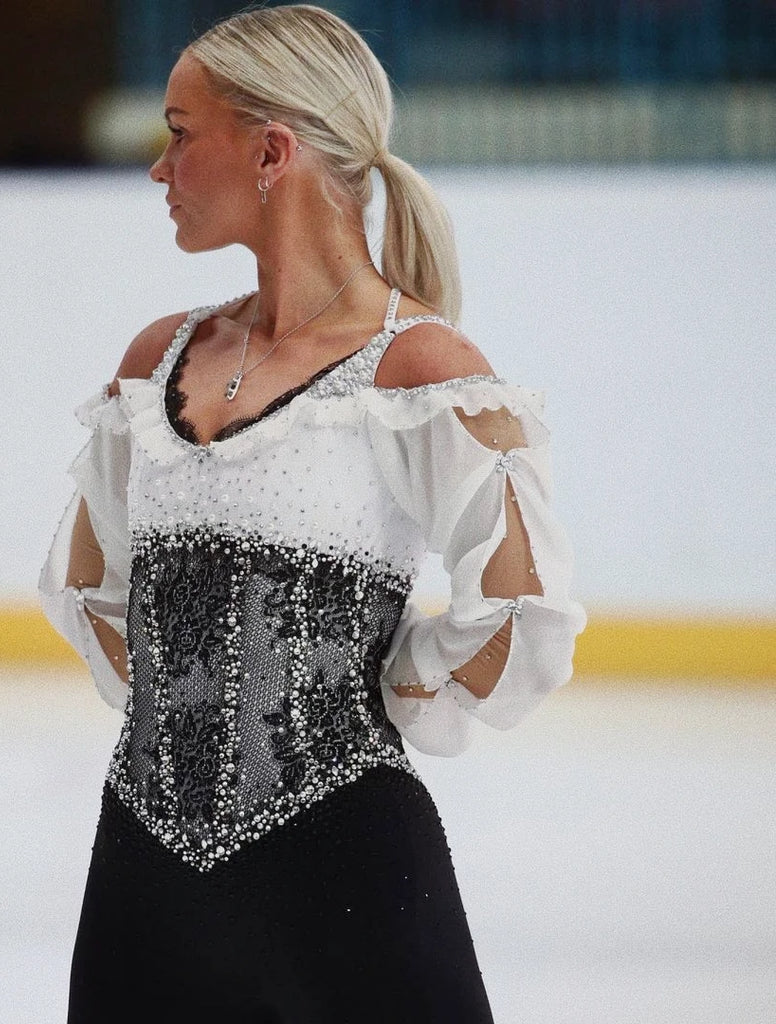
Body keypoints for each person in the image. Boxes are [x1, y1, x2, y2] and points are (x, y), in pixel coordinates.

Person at [40, 5, 585, 1021]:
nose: (159, 168)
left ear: (270, 151)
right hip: (144, 882)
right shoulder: (157, 358)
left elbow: (521, 616)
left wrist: (368, 694)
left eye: (179, 132)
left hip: (347, 877)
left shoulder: (421, 369)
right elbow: (91, 587)